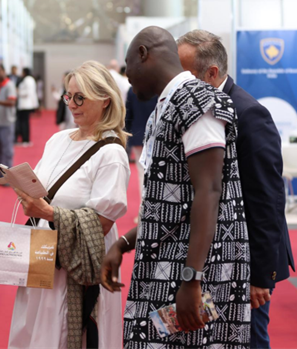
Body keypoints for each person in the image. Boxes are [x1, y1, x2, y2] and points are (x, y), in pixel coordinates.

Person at [102, 26, 250, 348]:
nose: (127, 75)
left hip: (190, 276)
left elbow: (210, 191)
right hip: (166, 268)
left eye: (128, 65)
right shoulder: (168, 105)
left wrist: (192, 279)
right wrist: (124, 244)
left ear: (143, 54)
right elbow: (171, 202)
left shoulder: (197, 100)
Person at [177, 29, 294, 349]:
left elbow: (267, 199)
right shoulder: (197, 108)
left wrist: (260, 276)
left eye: (184, 74)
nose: (177, 83)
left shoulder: (249, 114)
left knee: (249, 339)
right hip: (216, 257)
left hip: (249, 265)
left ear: (211, 73)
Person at [9, 61, 130, 349]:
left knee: (66, 334)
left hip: (76, 268)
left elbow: (101, 224)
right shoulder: (58, 139)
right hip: (42, 258)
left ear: (105, 101)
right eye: (68, 96)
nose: (72, 105)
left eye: (80, 98)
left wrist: (47, 212)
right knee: (34, 332)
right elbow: (43, 187)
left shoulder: (111, 153)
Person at [124, 88, 157, 215]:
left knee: (141, 172)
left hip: (138, 135)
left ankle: (142, 210)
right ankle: (149, 209)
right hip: (154, 135)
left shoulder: (133, 89)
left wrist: (127, 133)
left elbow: (128, 114)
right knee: (153, 172)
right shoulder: (158, 87)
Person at [15, 67, 38, 146]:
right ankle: (25, 139)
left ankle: (25, 139)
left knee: (24, 123)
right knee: (25, 122)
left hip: (25, 105)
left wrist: (18, 91)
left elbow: (27, 92)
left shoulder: (27, 80)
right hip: (27, 104)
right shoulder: (31, 79)